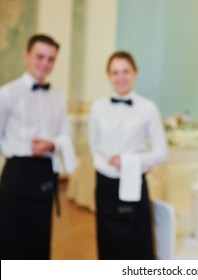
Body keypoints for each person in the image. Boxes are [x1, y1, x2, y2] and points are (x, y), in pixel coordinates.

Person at [0, 34, 76, 259]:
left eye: (51, 59)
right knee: (10, 236)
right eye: (40, 56)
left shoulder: (58, 97)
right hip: (17, 172)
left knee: (40, 237)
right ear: (26, 56)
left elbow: (66, 134)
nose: (45, 63)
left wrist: (52, 144)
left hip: (44, 173)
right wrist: (19, 147)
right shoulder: (7, 93)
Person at [89, 51, 168, 260]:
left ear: (135, 73)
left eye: (125, 71)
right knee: (108, 243)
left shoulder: (149, 108)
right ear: (108, 75)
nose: (120, 77)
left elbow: (161, 152)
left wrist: (131, 162)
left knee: (136, 244)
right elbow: (94, 147)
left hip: (134, 182)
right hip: (104, 185)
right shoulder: (97, 107)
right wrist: (108, 167)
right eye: (115, 72)